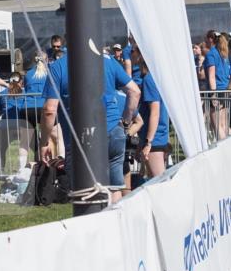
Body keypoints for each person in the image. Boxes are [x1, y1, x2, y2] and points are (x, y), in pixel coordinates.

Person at [40, 51, 141, 203]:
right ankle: (113, 224)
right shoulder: (108, 60)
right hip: (113, 131)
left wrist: (44, 142)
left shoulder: (58, 66)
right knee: (114, 189)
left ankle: (94, 223)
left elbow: (49, 110)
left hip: (80, 138)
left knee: (85, 191)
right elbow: (135, 91)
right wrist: (125, 122)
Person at [131, 45, 170, 180]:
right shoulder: (153, 77)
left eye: (133, 51)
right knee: (157, 182)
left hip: (155, 138)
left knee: (160, 182)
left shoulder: (149, 79)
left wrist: (148, 143)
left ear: (141, 55)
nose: (131, 54)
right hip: (155, 137)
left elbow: (155, 112)